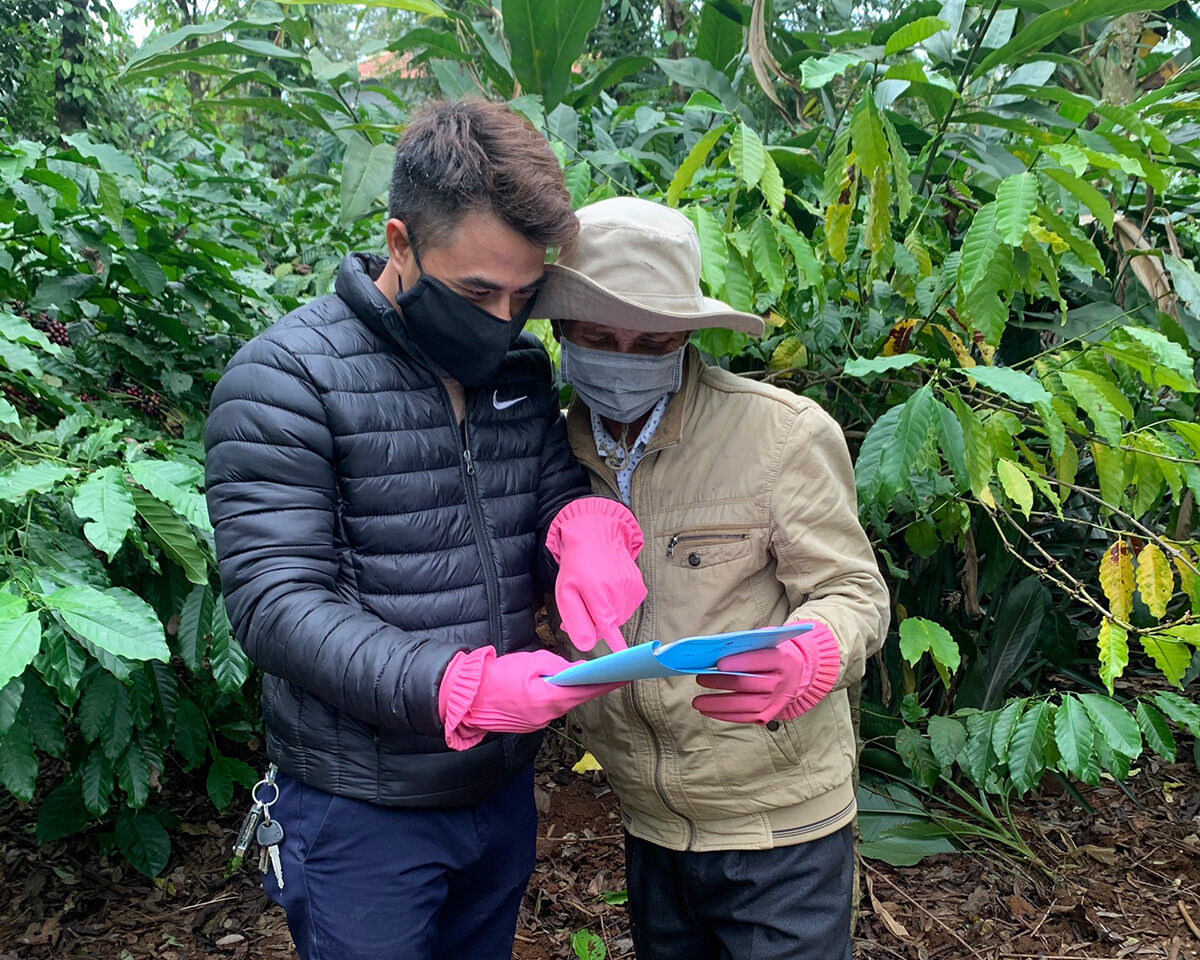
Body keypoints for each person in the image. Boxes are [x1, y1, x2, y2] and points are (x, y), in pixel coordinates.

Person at [203, 101, 647, 960]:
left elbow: (549, 485)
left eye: (525, 294)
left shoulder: (517, 366)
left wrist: (587, 527)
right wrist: (458, 689)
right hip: (362, 804)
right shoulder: (286, 378)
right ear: (399, 242)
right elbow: (274, 601)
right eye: (478, 291)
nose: (502, 316)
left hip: (498, 782)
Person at [532, 197, 890, 960]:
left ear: (687, 337)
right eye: (600, 337)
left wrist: (815, 652)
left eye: (651, 340)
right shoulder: (548, 451)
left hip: (780, 821)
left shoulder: (779, 435)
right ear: (560, 330)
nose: (624, 356)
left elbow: (854, 593)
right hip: (647, 822)